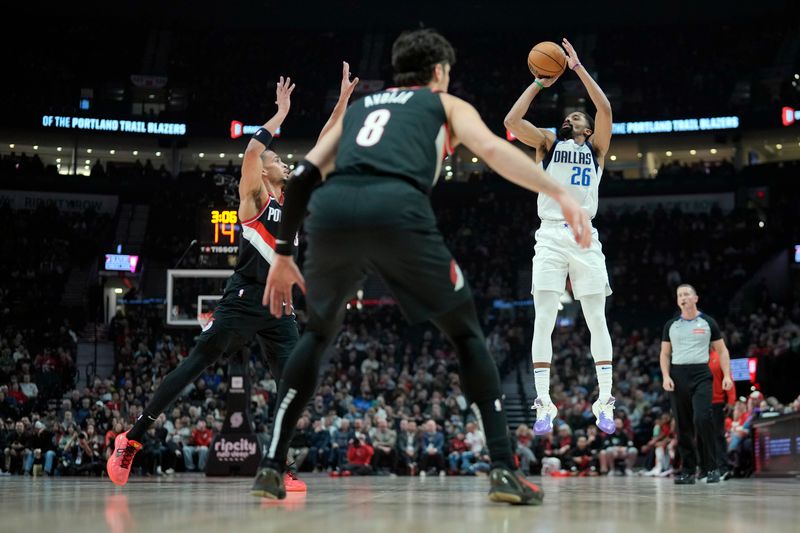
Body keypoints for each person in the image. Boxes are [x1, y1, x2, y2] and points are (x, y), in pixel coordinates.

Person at [254, 28, 592, 504]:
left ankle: (270, 465)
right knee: (468, 335)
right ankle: (502, 470)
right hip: (397, 208)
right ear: (439, 72)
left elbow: (306, 174)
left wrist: (284, 252)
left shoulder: (358, 112)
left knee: (316, 336)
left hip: (333, 214)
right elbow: (495, 150)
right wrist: (559, 193)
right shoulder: (445, 104)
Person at [106, 64, 360, 490]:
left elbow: (322, 144)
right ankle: (130, 440)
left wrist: (341, 103)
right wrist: (278, 117)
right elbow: (251, 155)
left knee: (295, 381)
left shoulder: (293, 198)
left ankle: (277, 464)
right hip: (243, 298)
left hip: (278, 305)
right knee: (195, 366)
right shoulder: (255, 196)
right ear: (265, 172)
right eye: (279, 160)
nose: (285, 163)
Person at [504, 38, 615, 436]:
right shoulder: (548, 143)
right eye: (568, 116)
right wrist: (538, 83)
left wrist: (578, 69)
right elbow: (511, 123)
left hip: (585, 235)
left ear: (586, 127)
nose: (573, 118)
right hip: (550, 234)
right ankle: (543, 404)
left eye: (577, 117)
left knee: (596, 319)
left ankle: (604, 400)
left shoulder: (598, 149)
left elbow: (604, 108)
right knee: (543, 321)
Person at [660, 284, 732, 484]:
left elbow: (722, 351)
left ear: (695, 298)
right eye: (679, 295)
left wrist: (727, 375)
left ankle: (711, 468)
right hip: (678, 375)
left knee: (702, 419)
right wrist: (666, 376)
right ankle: (688, 470)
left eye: (686, 294)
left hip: (701, 373)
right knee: (683, 425)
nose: (683, 297)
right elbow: (665, 354)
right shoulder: (671, 325)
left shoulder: (708, 322)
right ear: (677, 300)